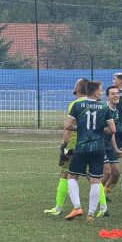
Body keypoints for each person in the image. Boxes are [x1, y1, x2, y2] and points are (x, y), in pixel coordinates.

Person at [64, 81, 116, 222]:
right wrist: (99, 130)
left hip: (81, 147)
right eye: (100, 90)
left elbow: (68, 126)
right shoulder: (104, 107)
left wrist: (80, 129)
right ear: (95, 92)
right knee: (95, 180)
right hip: (98, 148)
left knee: (72, 176)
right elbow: (112, 129)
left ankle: (77, 207)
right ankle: (91, 214)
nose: (101, 92)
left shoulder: (77, 105)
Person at [44, 78, 89, 216]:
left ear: (79, 89)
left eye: (76, 85)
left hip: (74, 145)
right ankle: (103, 207)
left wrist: (64, 145)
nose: (74, 87)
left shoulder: (75, 104)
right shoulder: (94, 103)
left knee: (65, 174)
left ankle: (58, 208)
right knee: (93, 176)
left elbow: (68, 128)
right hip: (90, 144)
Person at [102, 86, 122, 201]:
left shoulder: (116, 111)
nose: (116, 95)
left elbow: (112, 133)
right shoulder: (103, 109)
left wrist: (115, 149)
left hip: (109, 145)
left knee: (116, 173)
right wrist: (108, 129)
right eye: (113, 94)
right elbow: (97, 128)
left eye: (117, 93)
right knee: (107, 172)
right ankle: (96, 196)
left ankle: (103, 194)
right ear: (107, 97)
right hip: (99, 144)